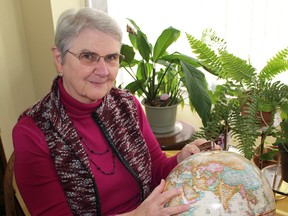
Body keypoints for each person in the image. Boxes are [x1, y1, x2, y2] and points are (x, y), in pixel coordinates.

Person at [12, 7, 220, 216]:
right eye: (88, 56)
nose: (103, 71)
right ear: (59, 58)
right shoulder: (32, 132)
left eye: (111, 57)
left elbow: (156, 170)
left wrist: (180, 161)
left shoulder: (127, 106)